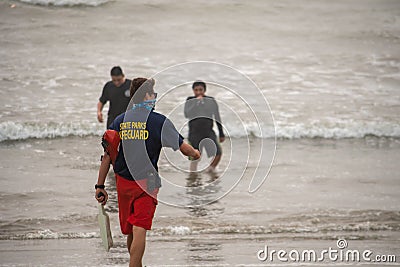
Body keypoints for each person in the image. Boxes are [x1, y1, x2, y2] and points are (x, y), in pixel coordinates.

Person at [95, 77, 200, 267]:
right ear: (146, 96)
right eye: (153, 94)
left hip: (122, 182)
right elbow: (184, 149)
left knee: (130, 231)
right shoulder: (158, 121)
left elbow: (107, 156)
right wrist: (195, 153)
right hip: (146, 183)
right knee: (140, 228)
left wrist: (100, 186)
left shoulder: (119, 121)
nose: (155, 97)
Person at [184, 81, 225, 173]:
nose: (198, 92)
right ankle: (193, 175)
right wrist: (196, 103)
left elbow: (217, 117)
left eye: (201, 90)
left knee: (218, 153)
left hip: (208, 132)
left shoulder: (211, 101)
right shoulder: (190, 100)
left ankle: (210, 170)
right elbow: (187, 114)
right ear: (193, 91)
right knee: (195, 157)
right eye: (196, 90)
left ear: (205, 90)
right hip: (194, 133)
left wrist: (221, 133)